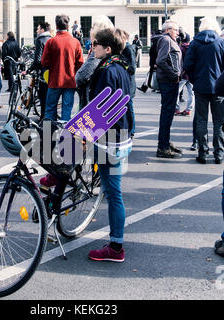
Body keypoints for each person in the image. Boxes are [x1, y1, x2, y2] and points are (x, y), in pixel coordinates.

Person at [87, 28, 132, 262]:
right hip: (121, 137)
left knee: (114, 193)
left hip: (108, 141)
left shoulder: (106, 72)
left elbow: (98, 111)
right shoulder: (122, 69)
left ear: (107, 49)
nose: (91, 47)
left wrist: (84, 135)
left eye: (95, 44)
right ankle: (116, 245)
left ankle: (116, 248)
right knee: (113, 191)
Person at [184, 16, 224, 164]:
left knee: (201, 120)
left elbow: (188, 65)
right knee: (219, 122)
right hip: (219, 88)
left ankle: (203, 153)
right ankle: (219, 154)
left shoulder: (195, 43)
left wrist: (195, 79)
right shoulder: (221, 42)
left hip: (201, 86)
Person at [41, 14, 84, 122]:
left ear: (56, 26)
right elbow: (80, 63)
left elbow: (44, 62)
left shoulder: (51, 42)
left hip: (54, 80)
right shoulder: (75, 42)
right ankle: (65, 138)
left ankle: (48, 137)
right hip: (70, 81)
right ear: (68, 26)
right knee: (66, 112)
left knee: (50, 110)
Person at [155, 20, 183, 159]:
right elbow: (160, 61)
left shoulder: (169, 40)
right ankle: (163, 147)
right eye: (176, 30)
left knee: (168, 113)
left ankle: (165, 142)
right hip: (168, 81)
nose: (178, 32)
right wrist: (174, 75)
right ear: (167, 30)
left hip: (169, 81)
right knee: (167, 113)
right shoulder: (166, 40)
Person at [75, 15, 114, 109]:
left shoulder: (98, 50)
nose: (90, 30)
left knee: (49, 111)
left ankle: (46, 124)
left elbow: (81, 76)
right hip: (101, 101)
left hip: (93, 102)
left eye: (92, 27)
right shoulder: (110, 48)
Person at [25, 22, 52, 119]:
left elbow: (37, 60)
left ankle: (44, 117)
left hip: (43, 71)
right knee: (49, 93)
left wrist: (29, 69)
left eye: (38, 28)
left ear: (42, 30)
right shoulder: (52, 39)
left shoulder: (40, 40)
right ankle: (49, 115)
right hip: (51, 71)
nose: (37, 31)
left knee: (42, 94)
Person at [121, 30, 136, 137]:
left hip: (129, 83)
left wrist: (121, 62)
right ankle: (130, 128)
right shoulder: (124, 49)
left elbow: (132, 68)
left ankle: (132, 129)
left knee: (129, 107)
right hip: (127, 82)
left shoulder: (128, 49)